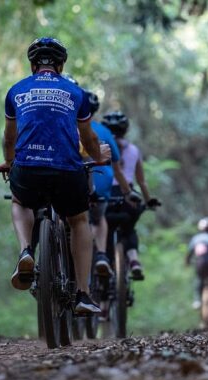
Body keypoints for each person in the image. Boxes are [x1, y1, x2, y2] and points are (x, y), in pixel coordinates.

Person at [0, 37, 110, 314]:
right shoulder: (75, 93)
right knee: (79, 220)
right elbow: (88, 136)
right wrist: (98, 158)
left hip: (28, 169)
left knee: (20, 201)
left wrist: (10, 163)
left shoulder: (16, 91)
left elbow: (9, 138)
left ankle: (26, 251)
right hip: (67, 171)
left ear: (33, 64)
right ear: (60, 65)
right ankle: (83, 294)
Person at [102, 111, 159, 280]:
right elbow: (142, 182)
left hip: (105, 195)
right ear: (125, 130)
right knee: (129, 230)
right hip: (129, 197)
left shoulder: (100, 148)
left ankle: (103, 264)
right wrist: (149, 201)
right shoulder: (134, 150)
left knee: (101, 229)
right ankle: (133, 260)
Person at [84, 91, 128, 278]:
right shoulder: (104, 132)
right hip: (100, 188)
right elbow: (117, 168)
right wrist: (127, 191)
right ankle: (101, 254)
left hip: (73, 185)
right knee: (98, 218)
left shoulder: (68, 127)